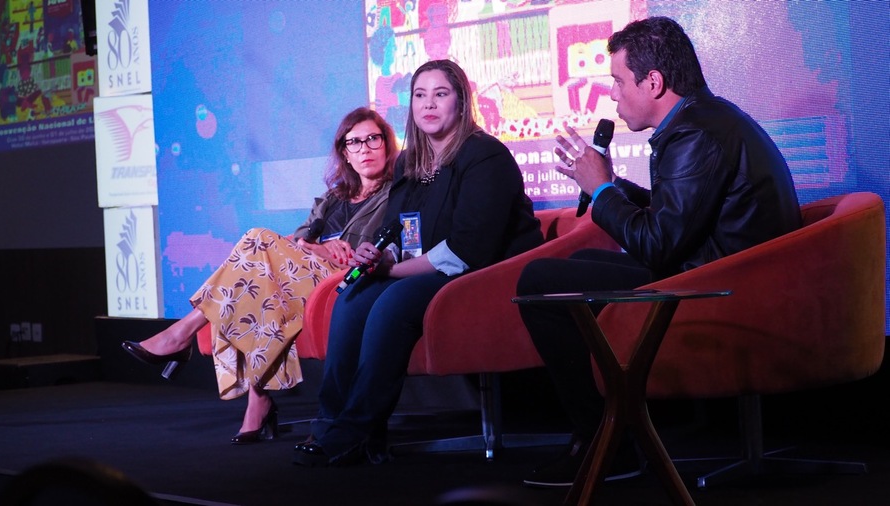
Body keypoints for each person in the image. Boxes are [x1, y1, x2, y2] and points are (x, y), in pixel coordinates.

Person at [516, 16, 802, 488]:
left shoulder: (695, 133)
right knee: (567, 270)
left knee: (539, 282)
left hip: (721, 294)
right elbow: (680, 218)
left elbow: (659, 244)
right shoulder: (704, 119)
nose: (612, 95)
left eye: (617, 81)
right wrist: (611, 185)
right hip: (717, 274)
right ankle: (612, 433)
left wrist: (603, 190)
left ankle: (605, 442)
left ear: (653, 82)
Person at [292, 59, 543, 467]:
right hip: (432, 272)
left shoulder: (484, 156)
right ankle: (332, 424)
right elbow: (400, 232)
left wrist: (391, 271)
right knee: (354, 295)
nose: (428, 104)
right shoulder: (411, 163)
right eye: (420, 95)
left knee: (393, 301)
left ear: (461, 103)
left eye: (440, 94)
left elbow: (467, 250)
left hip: (484, 277)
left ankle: (355, 429)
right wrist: (379, 255)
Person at [121, 107, 398, 444]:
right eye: (354, 142)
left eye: (372, 139)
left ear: (386, 143)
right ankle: (256, 396)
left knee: (257, 242)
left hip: (348, 283)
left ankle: (186, 336)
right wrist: (315, 248)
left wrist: (327, 251)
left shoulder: (397, 193)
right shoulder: (333, 198)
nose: (365, 149)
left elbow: (383, 250)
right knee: (255, 280)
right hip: (304, 274)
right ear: (344, 153)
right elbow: (298, 240)